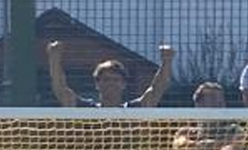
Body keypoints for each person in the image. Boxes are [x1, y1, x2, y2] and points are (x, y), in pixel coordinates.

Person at [46, 39, 174, 109]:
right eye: (106, 79)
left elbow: (157, 89)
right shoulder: (87, 109)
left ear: (123, 84)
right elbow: (61, 90)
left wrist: (167, 61)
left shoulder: (133, 109)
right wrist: (54, 58)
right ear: (97, 84)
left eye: (116, 80)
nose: (111, 83)